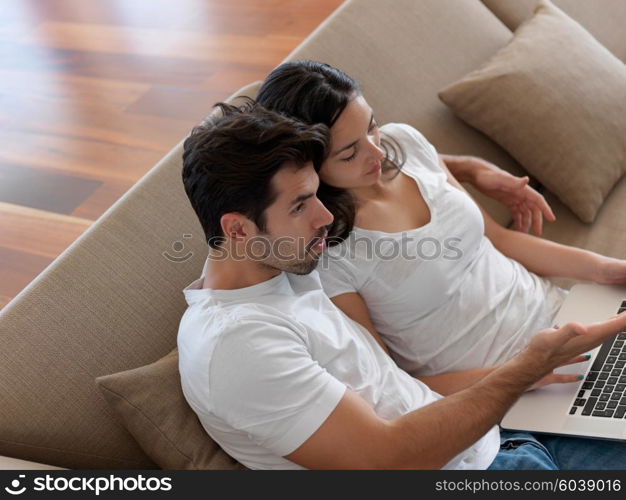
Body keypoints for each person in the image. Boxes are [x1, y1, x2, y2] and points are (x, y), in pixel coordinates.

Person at [178, 102, 626, 470]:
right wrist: (526, 368)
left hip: (497, 436)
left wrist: (467, 168)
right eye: (300, 205)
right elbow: (388, 460)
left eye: (316, 193)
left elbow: (393, 167)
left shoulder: (280, 262)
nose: (327, 217)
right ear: (237, 230)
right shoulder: (238, 345)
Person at [255, 60, 626, 392]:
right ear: (307, 166)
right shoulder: (329, 249)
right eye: (350, 153)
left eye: (372, 128)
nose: (377, 152)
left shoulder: (406, 143)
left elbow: (500, 240)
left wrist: (606, 270)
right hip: (517, 387)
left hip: (564, 315)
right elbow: (396, 383)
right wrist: (519, 375)